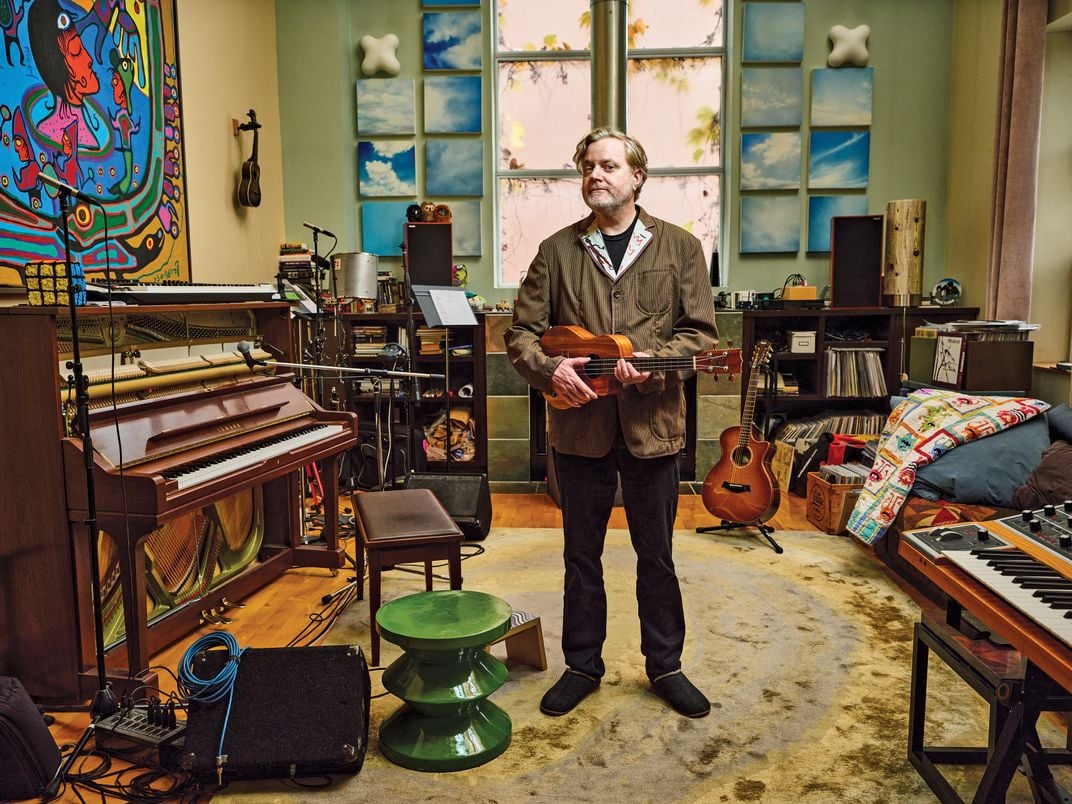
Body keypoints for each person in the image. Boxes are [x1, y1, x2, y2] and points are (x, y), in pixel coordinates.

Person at [504, 127, 719, 718]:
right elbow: (520, 333)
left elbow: (701, 336)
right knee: (581, 556)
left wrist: (651, 368)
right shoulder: (555, 251)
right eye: (588, 167)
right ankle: (582, 665)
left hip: (653, 428)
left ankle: (666, 666)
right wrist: (551, 373)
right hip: (579, 430)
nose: (596, 175)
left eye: (609, 166)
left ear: (637, 177)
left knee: (657, 556)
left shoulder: (680, 248)